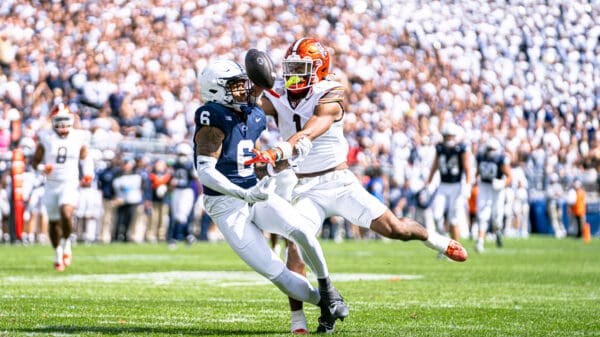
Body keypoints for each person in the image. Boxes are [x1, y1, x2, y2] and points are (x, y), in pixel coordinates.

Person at [246, 37, 468, 332]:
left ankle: (436, 240)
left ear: (320, 70)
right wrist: (253, 87)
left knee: (396, 230)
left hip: (339, 182)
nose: (294, 76)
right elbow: (251, 105)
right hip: (304, 187)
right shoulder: (280, 95)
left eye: (302, 69)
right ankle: (297, 319)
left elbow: (314, 127)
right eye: (290, 68)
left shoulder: (329, 91)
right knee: (295, 250)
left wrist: (281, 150)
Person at [193, 59, 347, 334]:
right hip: (226, 205)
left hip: (254, 193)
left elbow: (263, 90)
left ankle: (328, 287)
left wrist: (271, 165)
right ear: (216, 91)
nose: (244, 91)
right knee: (278, 273)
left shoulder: (251, 114)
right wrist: (243, 191)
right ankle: (324, 302)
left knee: (301, 231)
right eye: (236, 86)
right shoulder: (212, 117)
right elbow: (205, 172)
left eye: (243, 84)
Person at [31, 103, 94, 271]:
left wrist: (88, 173)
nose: (62, 124)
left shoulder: (79, 136)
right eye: (58, 120)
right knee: (53, 222)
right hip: (51, 185)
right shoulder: (46, 136)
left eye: (65, 120)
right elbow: (34, 161)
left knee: (66, 213)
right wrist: (42, 168)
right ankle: (58, 253)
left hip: (70, 182)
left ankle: (67, 244)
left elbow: (85, 157)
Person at [425, 122, 473, 241]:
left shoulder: (461, 149)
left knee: (453, 218)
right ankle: (444, 240)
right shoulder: (440, 148)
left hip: (456, 185)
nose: (448, 139)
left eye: (450, 136)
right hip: (443, 185)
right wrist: (428, 182)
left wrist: (467, 185)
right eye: (446, 136)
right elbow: (435, 166)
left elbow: (467, 168)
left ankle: (455, 247)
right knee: (436, 215)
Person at [474, 138, 512, 252]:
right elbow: (478, 171)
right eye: (489, 149)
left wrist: (502, 183)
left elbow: (510, 176)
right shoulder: (481, 156)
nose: (491, 151)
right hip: (484, 186)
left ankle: (498, 231)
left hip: (497, 189)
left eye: (493, 149)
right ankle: (480, 241)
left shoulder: (501, 159)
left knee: (496, 217)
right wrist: (473, 181)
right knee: (483, 214)